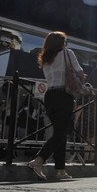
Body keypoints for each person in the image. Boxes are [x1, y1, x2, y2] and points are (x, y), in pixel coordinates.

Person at [28, 31, 85, 180]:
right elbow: (80, 72)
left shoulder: (46, 58)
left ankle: (60, 171)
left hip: (50, 96)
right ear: (62, 42)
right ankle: (39, 160)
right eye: (65, 40)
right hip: (63, 96)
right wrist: (80, 78)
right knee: (62, 132)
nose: (66, 43)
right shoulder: (67, 53)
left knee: (60, 132)